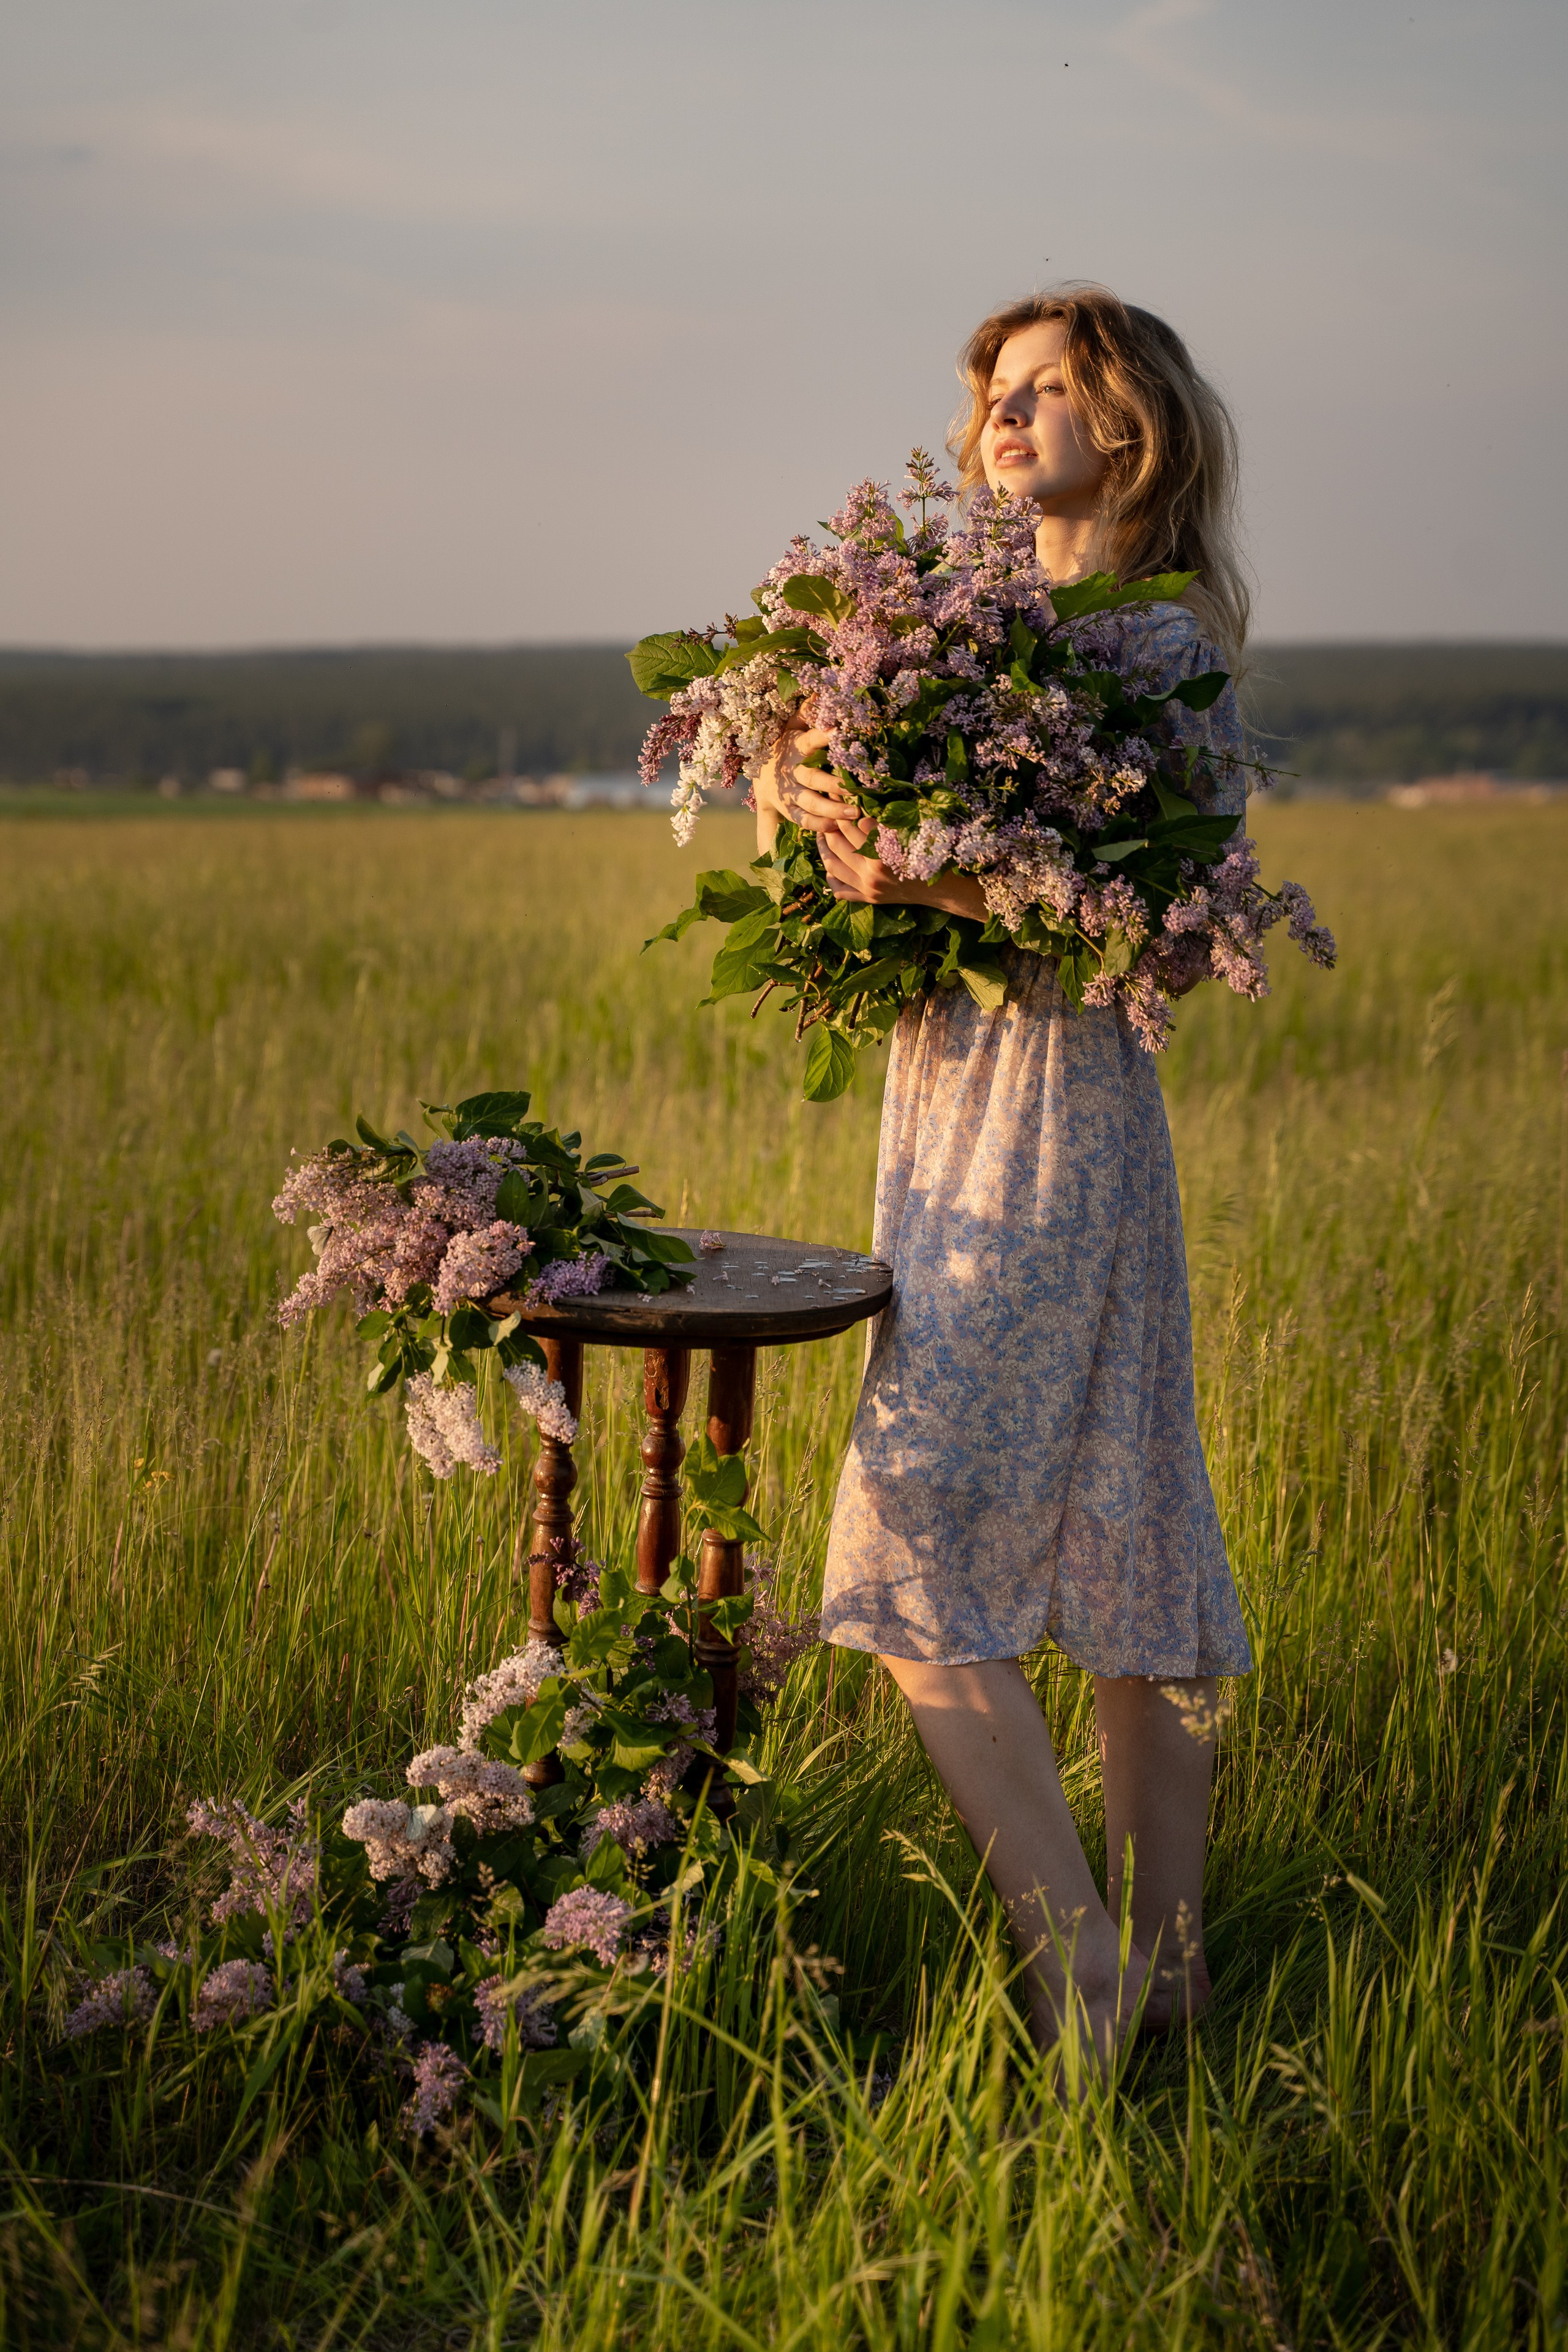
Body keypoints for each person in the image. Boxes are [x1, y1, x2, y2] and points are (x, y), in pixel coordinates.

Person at [752, 286, 1254, 2070]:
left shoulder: (1152, 646)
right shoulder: (965, 626)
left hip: (1056, 1108)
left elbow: (1182, 935)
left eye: (1049, 389)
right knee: (1128, 1521)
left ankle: (1086, 1966)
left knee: (904, 1552)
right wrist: (805, 796)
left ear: (1132, 425)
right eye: (992, 395)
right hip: (957, 1092)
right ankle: (1173, 1979)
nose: (1005, 419)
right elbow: (849, 860)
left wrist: (934, 883)